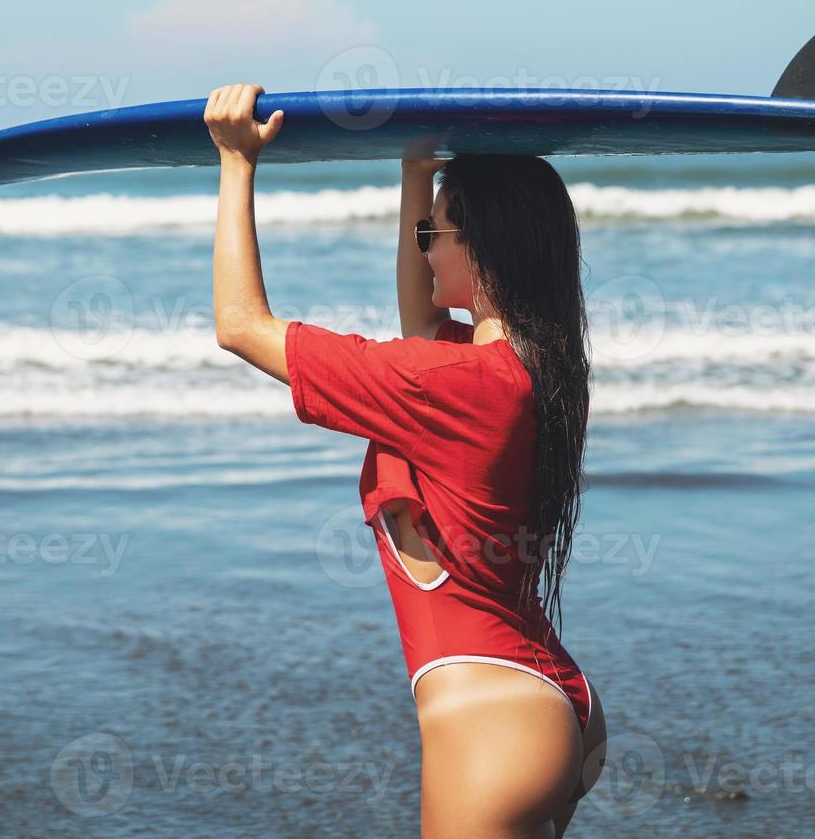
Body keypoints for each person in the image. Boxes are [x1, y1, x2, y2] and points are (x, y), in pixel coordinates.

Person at [206, 84, 605, 837]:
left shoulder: (447, 384)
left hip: (490, 722)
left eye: (437, 234)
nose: (426, 246)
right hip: (552, 699)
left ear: (483, 249)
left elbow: (239, 325)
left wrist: (236, 163)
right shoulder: (534, 368)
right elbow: (422, 320)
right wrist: (416, 176)